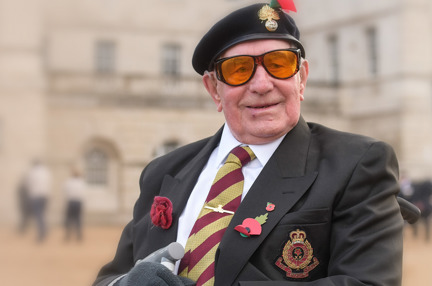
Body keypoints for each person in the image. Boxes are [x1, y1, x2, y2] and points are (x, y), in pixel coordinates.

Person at [94, 1, 404, 285]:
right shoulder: (163, 170)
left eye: (280, 64)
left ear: (302, 78)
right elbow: (110, 277)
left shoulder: (357, 164)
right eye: (239, 69)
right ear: (214, 89)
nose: (261, 84)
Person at [25, 159, 52, 242]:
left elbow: (29, 184)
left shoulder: (32, 172)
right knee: (42, 214)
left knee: (38, 215)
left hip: (36, 196)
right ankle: (44, 230)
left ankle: (41, 233)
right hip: (45, 195)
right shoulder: (46, 171)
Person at [63, 167, 86, 242]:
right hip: (78, 202)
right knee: (78, 219)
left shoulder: (68, 182)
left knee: (69, 219)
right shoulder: (81, 182)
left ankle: (68, 235)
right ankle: (79, 235)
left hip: (71, 202)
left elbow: (65, 192)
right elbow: (84, 194)